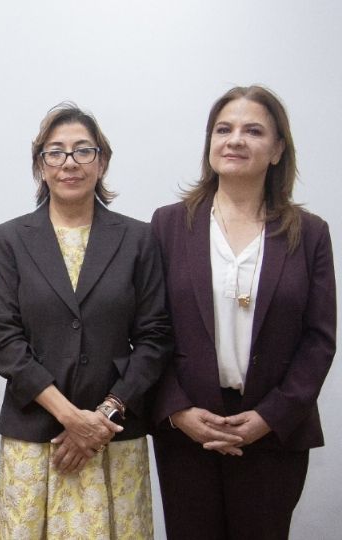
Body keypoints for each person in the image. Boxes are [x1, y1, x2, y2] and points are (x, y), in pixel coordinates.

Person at [150, 85, 335, 540]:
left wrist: (270, 416)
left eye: (253, 131)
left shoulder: (309, 234)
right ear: (209, 143)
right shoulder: (168, 225)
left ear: (276, 151)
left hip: (273, 432)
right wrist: (176, 411)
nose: (235, 140)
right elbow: (148, 329)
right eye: (223, 129)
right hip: (189, 431)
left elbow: (319, 339)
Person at [0, 103, 172, 539]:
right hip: (36, 435)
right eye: (55, 152)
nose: (69, 162)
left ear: (102, 161)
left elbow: (155, 338)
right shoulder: (10, 238)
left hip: (114, 436)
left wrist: (102, 418)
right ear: (40, 166)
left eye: (83, 151)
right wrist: (71, 418)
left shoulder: (138, 238)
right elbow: (4, 339)